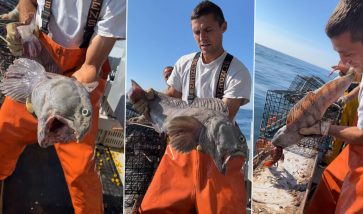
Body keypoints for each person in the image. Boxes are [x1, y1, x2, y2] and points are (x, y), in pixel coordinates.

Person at [0, 0, 125, 213]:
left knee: (82, 169)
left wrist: (59, 96)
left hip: (79, 79)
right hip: (36, 66)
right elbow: (26, 2)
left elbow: (91, 65)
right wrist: (25, 21)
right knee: (4, 133)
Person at [136, 1, 251, 213]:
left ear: (223, 27)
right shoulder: (184, 62)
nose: (202, 38)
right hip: (179, 151)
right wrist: (149, 98)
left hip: (217, 157)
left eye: (208, 30)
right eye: (196, 32)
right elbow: (171, 97)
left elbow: (225, 117)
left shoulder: (238, 71)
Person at [299, 0, 363, 213]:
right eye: (338, 53)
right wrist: (347, 96)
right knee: (329, 181)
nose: (343, 60)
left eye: (347, 54)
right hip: (362, 143)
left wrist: (323, 128)